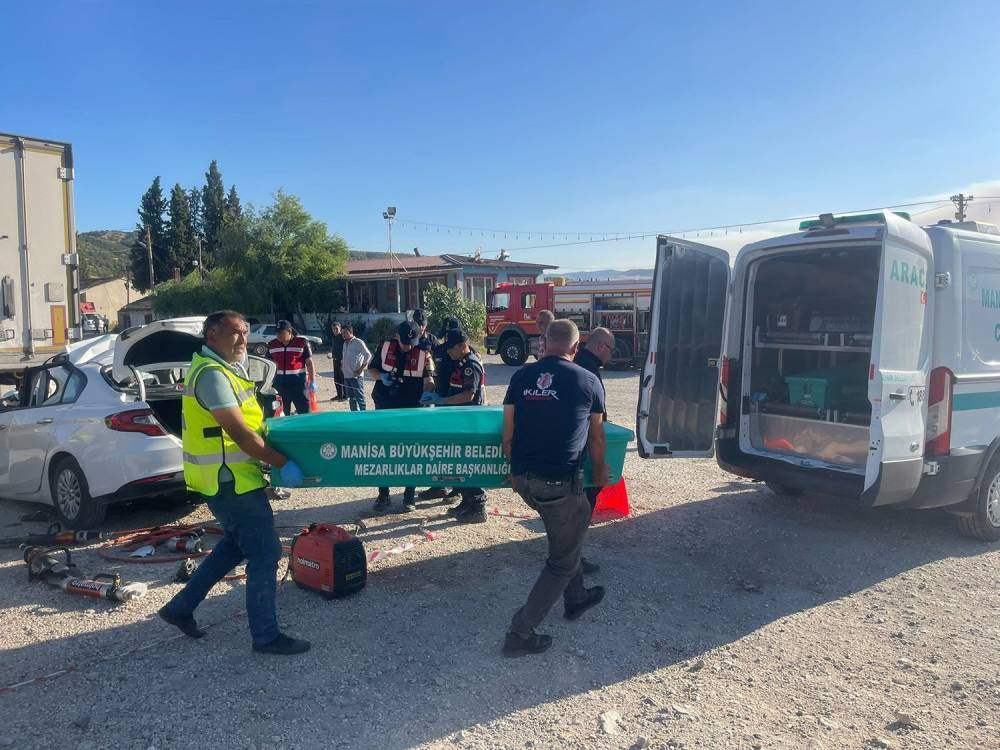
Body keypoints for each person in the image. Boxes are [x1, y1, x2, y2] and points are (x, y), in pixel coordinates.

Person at [158, 310, 310, 656]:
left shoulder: (225, 369)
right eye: (234, 334)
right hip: (229, 481)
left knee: (236, 545)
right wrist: (284, 463)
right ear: (211, 335)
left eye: (245, 333)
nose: (242, 340)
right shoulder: (212, 375)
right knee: (266, 551)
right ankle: (266, 636)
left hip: (232, 477)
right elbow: (240, 433)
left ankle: (180, 607)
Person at [501, 319, 608, 657]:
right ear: (576, 349)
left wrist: (515, 473)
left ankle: (575, 598)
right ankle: (520, 633)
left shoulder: (520, 376)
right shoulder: (589, 380)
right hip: (558, 483)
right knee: (561, 558)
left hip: (525, 480)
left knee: (570, 530)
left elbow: (508, 433)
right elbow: (596, 437)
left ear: (544, 342)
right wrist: (602, 472)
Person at [420, 329, 488, 523]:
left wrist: (442, 401)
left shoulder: (470, 364)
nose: (448, 352)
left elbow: (469, 395)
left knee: (471, 463)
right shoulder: (461, 362)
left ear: (462, 345)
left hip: (470, 421)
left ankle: (478, 505)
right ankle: (467, 501)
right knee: (462, 462)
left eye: (451, 348)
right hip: (461, 421)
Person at [368, 320, 435, 512]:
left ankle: (409, 496)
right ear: (398, 336)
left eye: (411, 343)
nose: (407, 347)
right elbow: (371, 369)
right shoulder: (385, 346)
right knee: (383, 451)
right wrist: (382, 377)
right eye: (404, 342)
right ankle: (383, 495)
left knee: (411, 452)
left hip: (411, 408)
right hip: (385, 404)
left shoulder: (424, 353)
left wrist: (429, 392)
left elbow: (430, 379)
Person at [573, 326, 615, 575]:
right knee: (583, 506)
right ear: (600, 347)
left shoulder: (576, 363)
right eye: (610, 349)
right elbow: (594, 423)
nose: (612, 355)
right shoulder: (590, 373)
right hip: (583, 449)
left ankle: (568, 556)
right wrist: (599, 464)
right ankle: (572, 560)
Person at [418, 315, 464, 504]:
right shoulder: (438, 349)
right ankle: (439, 485)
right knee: (440, 448)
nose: (445, 340)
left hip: (458, 406)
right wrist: (429, 392)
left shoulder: (468, 353)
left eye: (448, 336)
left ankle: (458, 489)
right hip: (440, 405)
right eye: (444, 336)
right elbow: (433, 375)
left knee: (458, 450)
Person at [266, 321, 316, 416]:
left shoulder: (302, 343)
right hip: (279, 386)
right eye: (277, 333)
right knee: (282, 415)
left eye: (281, 333)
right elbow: (268, 364)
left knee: (305, 414)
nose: (278, 335)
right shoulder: (272, 344)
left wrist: (312, 380)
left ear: (289, 331)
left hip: (299, 385)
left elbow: (309, 363)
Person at [340, 323, 371, 411]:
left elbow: (368, 355)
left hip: (356, 376)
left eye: (345, 333)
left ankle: (363, 416)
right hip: (347, 376)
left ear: (351, 332)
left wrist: (361, 369)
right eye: (342, 333)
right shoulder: (344, 344)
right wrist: (342, 366)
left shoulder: (358, 342)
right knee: (351, 399)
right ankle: (354, 416)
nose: (343, 335)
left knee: (360, 398)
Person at [328, 321, 346, 402]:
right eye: (333, 329)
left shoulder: (342, 337)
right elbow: (334, 348)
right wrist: (331, 353)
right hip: (335, 361)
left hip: (342, 361)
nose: (335, 330)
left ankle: (346, 395)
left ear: (340, 328)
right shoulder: (333, 337)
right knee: (336, 379)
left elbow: (345, 349)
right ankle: (339, 395)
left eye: (336, 329)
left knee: (343, 379)